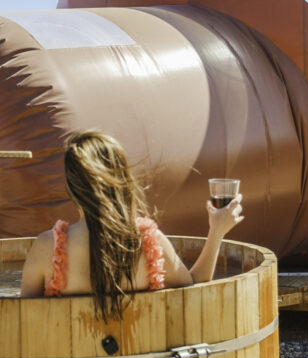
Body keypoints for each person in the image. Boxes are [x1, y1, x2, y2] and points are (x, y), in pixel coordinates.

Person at [20, 131, 244, 314]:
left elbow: (21, 316)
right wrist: (217, 231)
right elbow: (195, 286)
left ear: (72, 188)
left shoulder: (47, 248)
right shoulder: (150, 243)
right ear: (124, 179)